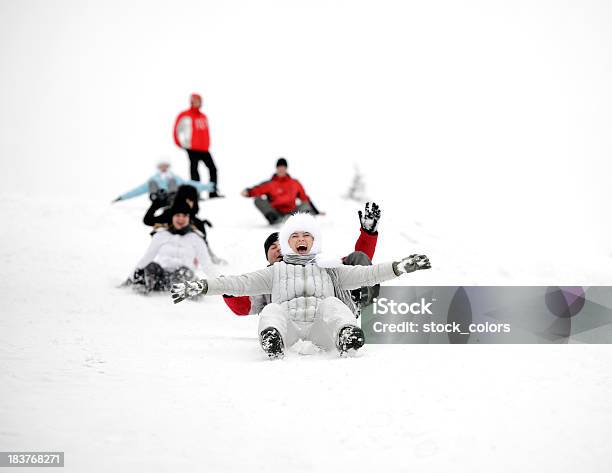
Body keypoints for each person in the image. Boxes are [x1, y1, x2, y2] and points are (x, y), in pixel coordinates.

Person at [171, 212, 431, 358]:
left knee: (332, 302)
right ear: (287, 244)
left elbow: (365, 272)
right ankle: (272, 339)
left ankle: (347, 334)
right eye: (293, 236)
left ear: (314, 241)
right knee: (271, 310)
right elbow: (239, 283)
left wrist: (399, 267)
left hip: (323, 330)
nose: (301, 239)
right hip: (290, 331)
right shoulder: (273, 273)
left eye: (306, 234)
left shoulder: (329, 268)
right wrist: (205, 286)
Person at [223, 201, 382, 317]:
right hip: (292, 318)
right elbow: (246, 306)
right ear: (267, 258)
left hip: (329, 314)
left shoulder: (319, 264)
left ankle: (360, 304)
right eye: (273, 248)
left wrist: (368, 233)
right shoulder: (268, 278)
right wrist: (228, 289)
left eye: (281, 246)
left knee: (357, 260)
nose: (278, 250)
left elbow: (358, 265)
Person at [126, 201, 218, 294]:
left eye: (184, 215)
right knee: (152, 266)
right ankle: (142, 288)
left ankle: (191, 292)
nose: (181, 219)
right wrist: (130, 278)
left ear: (189, 218)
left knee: (185, 271)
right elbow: (146, 258)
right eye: (177, 215)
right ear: (172, 216)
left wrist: (221, 284)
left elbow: (206, 264)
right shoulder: (161, 235)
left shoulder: (196, 238)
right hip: (161, 278)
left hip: (182, 279)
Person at [241, 158, 320, 224]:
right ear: (276, 169)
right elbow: (257, 190)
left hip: (292, 212)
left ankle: (304, 220)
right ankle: (274, 220)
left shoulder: (295, 183)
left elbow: (305, 197)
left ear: (286, 169)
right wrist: (248, 192)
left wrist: (317, 211)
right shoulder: (270, 183)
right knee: (258, 200)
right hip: (276, 213)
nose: (281, 170)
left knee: (305, 203)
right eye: (279, 168)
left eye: (283, 168)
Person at [173, 93, 221, 198]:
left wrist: (207, 144)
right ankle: (196, 194)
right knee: (194, 171)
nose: (199, 103)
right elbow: (176, 130)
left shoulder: (203, 116)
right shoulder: (184, 115)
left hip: (204, 148)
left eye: (200, 101)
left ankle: (212, 191)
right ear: (191, 101)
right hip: (192, 148)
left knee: (213, 169)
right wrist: (180, 144)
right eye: (196, 100)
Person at [112, 160, 214, 206]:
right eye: (162, 166)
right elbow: (137, 190)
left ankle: (172, 196)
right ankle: (156, 196)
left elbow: (191, 184)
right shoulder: (154, 178)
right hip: (158, 197)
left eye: (165, 165)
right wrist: (122, 197)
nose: (164, 168)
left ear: (168, 166)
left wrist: (209, 187)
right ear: (159, 167)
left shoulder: (174, 177)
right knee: (152, 183)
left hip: (172, 199)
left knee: (173, 182)